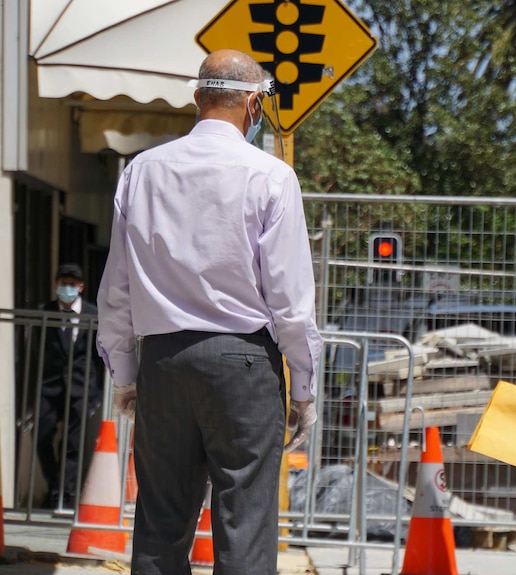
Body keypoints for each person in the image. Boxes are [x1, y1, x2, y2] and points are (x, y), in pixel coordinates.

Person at [96, 49, 323, 575]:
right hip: (244, 364)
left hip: (164, 361)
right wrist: (305, 387)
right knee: (244, 523)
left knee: (159, 525)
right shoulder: (270, 176)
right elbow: (290, 300)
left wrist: (126, 376)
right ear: (254, 106)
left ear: (197, 99)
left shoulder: (142, 171)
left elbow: (118, 289)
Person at [36, 262, 104, 509]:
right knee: (42, 437)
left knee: (73, 443)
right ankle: (55, 484)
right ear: (56, 284)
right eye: (63, 283)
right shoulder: (45, 310)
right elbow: (37, 351)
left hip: (81, 387)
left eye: (72, 284)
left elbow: (99, 355)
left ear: (81, 287)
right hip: (50, 387)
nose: (67, 288)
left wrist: (96, 392)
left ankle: (65, 494)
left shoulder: (92, 314)